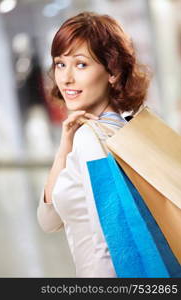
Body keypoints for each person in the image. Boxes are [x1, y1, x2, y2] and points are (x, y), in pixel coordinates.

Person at [37, 11, 150, 278]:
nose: (65, 79)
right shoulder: (122, 130)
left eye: (81, 64)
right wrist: (66, 143)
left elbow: (108, 247)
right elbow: (49, 218)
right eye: (60, 64)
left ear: (113, 71)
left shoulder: (91, 139)